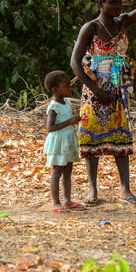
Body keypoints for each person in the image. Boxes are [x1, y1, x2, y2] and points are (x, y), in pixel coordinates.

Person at [71, 0, 136, 206]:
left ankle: (125, 190)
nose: (118, 6)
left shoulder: (122, 22)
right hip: (95, 89)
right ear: (100, 4)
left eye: (120, 2)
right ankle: (92, 190)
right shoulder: (90, 27)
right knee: (90, 137)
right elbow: (75, 63)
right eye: (113, 2)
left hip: (119, 89)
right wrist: (96, 90)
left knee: (121, 136)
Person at [43, 70, 86, 212]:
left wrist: (76, 119)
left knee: (68, 171)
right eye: (67, 86)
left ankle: (67, 200)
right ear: (55, 90)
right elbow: (50, 127)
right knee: (57, 172)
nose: (70, 88)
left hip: (68, 141)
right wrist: (69, 121)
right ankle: (56, 202)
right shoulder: (53, 107)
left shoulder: (66, 101)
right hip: (58, 144)